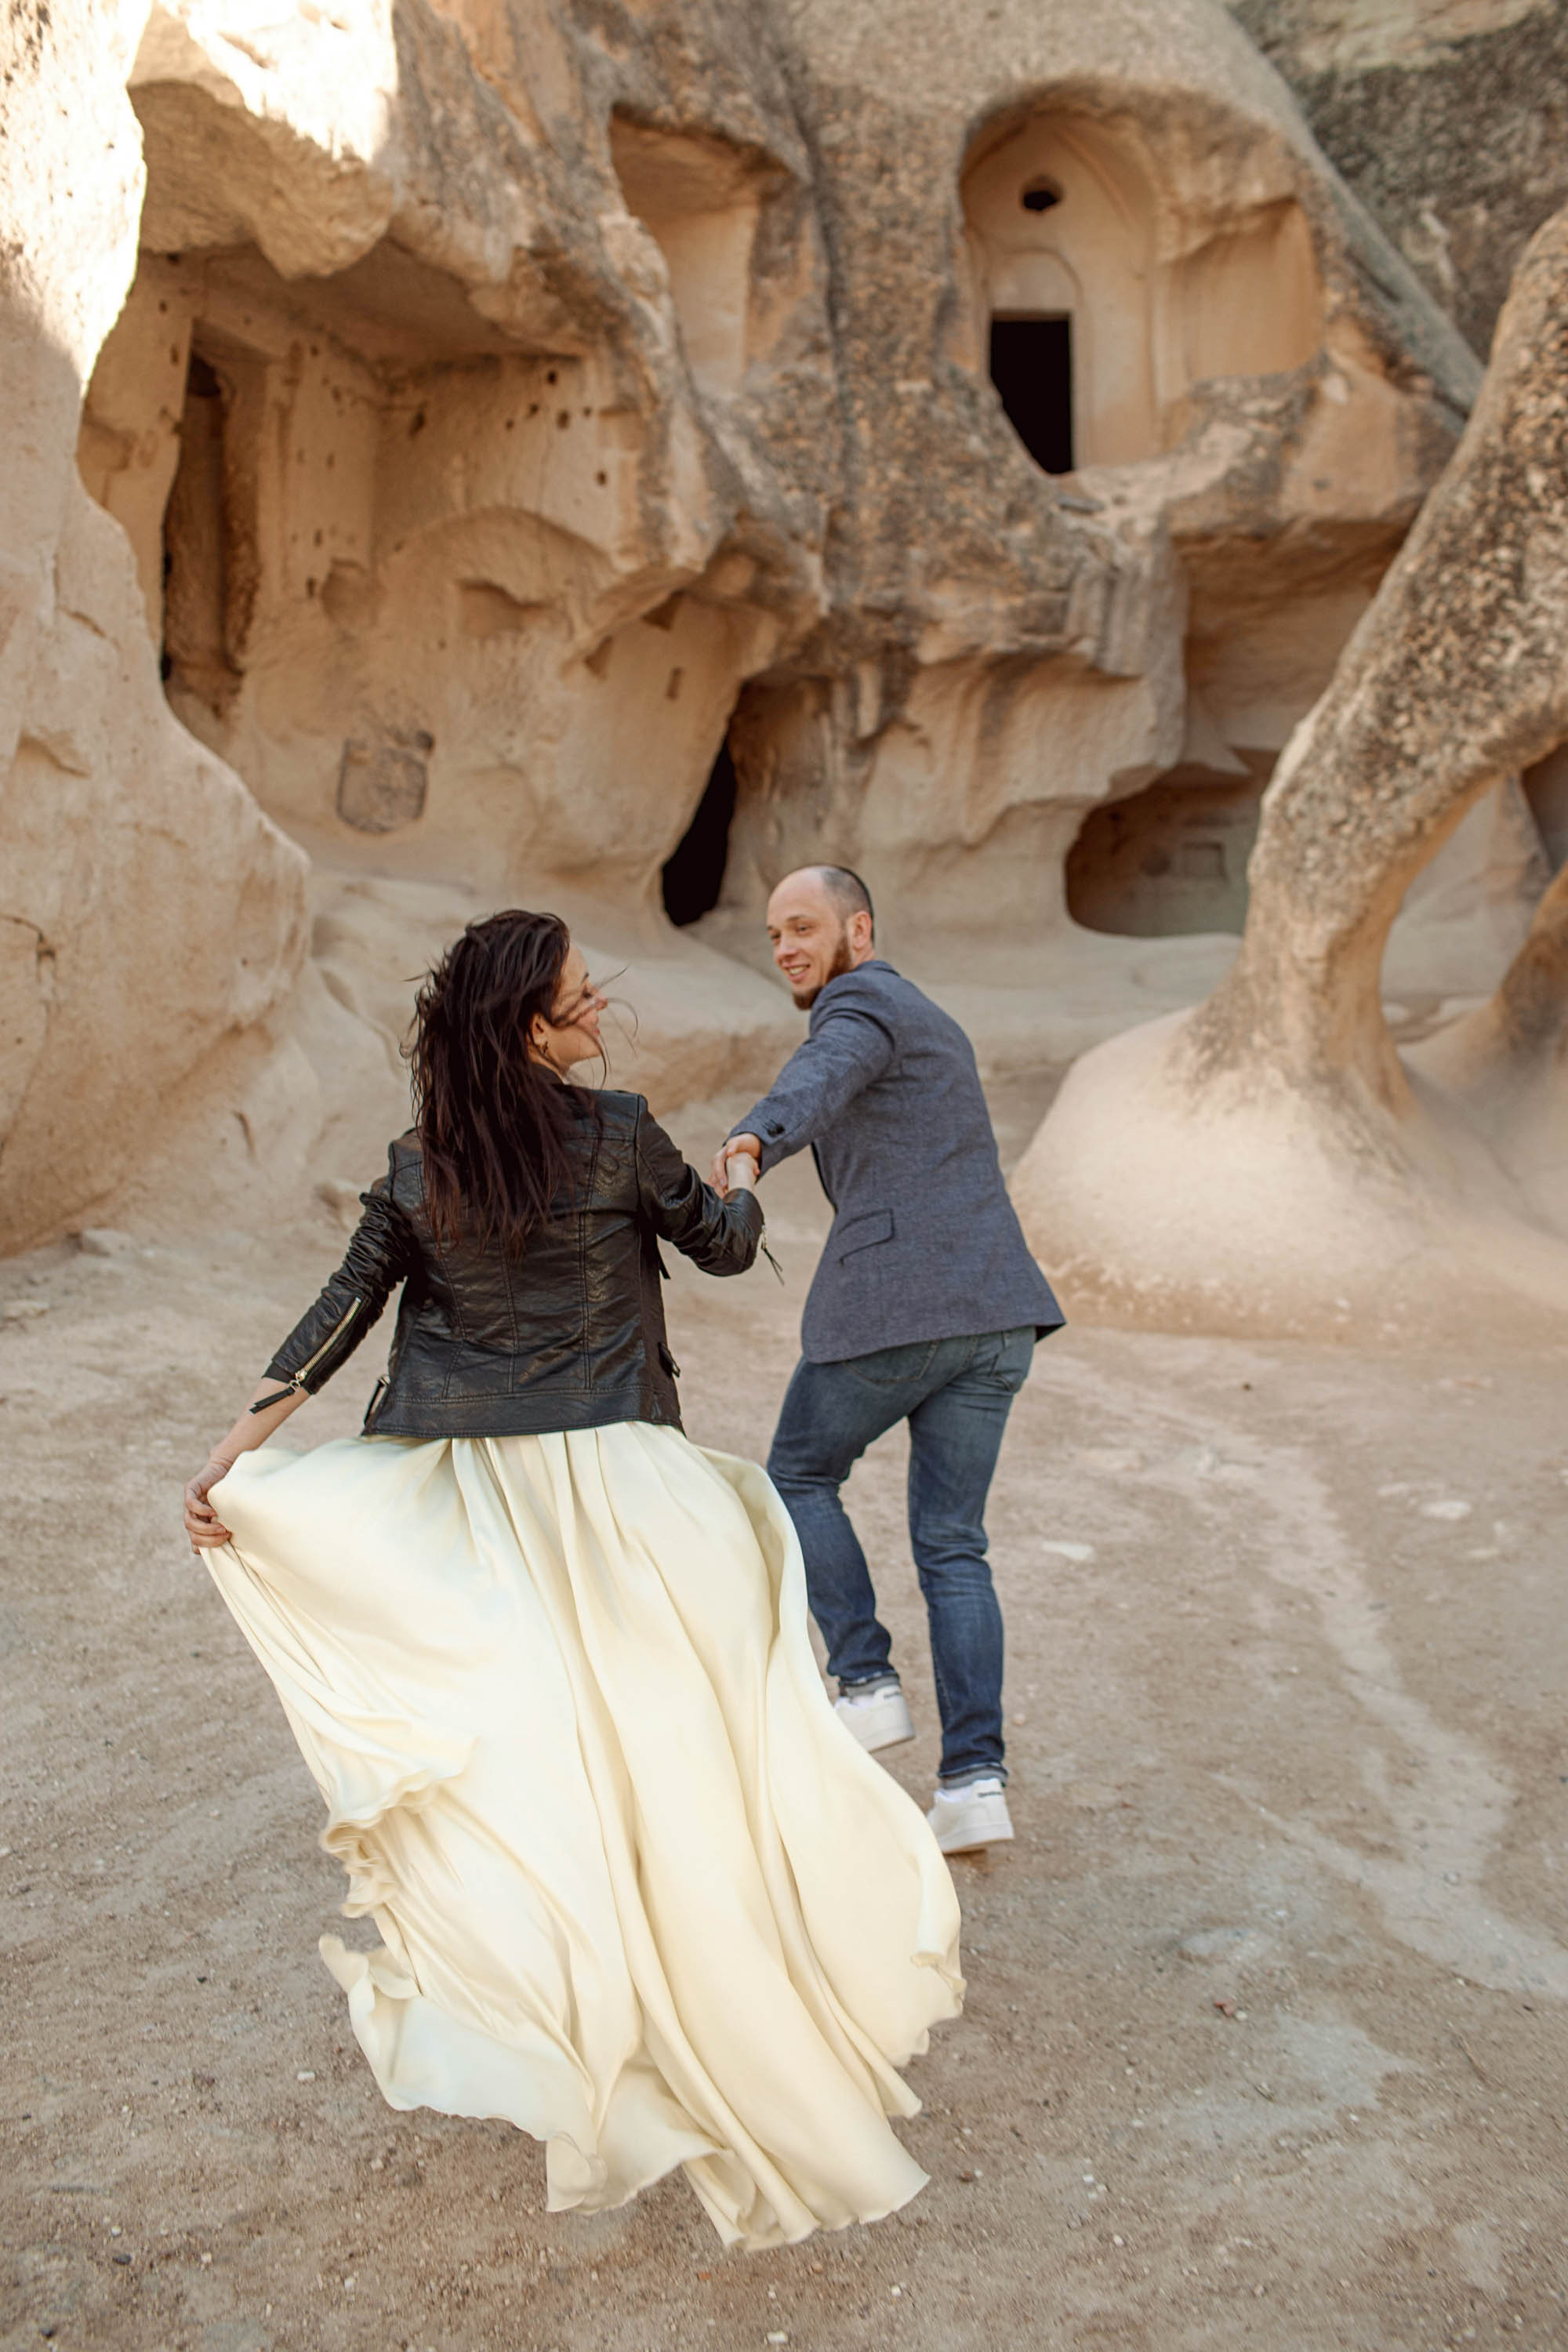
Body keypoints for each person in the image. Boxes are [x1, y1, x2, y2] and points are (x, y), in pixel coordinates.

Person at [182, 909, 960, 2252]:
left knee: (541, 1761)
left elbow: (339, 1312)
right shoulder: (620, 1134)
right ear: (530, 1029)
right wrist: (741, 1176)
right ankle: (709, 1998)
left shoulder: (423, 1163)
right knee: (678, 1756)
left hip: (473, 1496)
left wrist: (233, 1450)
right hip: (626, 1490)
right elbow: (722, 1247)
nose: (600, 1005)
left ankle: (584, 2004)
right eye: (578, 995)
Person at [713, 867, 1063, 1858]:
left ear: (858, 931)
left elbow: (822, 1073)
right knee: (953, 1545)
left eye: (803, 927)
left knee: (796, 1476)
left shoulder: (862, 1002)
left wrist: (754, 1138)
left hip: (901, 1307)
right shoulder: (927, 1018)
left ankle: (864, 1680)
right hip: (996, 1313)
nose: (785, 948)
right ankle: (973, 1783)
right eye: (773, 934)